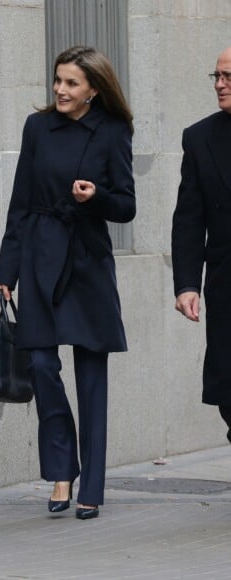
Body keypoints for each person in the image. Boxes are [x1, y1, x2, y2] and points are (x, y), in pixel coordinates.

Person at [0, 46, 135, 520]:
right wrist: (5, 273)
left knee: (92, 375)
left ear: (93, 89)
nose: (60, 89)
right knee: (39, 364)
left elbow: (126, 205)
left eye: (72, 83)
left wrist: (95, 197)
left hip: (88, 262)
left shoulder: (112, 131)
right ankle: (61, 469)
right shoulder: (37, 128)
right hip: (40, 257)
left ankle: (91, 486)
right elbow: (19, 201)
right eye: (57, 80)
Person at [172, 47, 231, 442]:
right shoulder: (199, 138)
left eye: (228, 76)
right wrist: (187, 284)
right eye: (216, 76)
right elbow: (189, 218)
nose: (221, 84)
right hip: (226, 284)